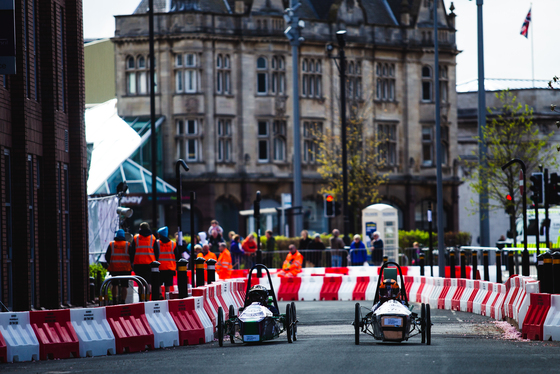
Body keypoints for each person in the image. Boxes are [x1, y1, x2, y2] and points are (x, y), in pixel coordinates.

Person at [131, 222, 159, 297]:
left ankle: (141, 298)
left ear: (140, 228)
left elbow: (132, 251)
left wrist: (132, 262)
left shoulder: (136, 238)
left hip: (138, 264)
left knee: (140, 282)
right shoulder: (152, 238)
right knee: (148, 282)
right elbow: (156, 251)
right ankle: (147, 298)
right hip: (150, 264)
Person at [106, 229, 133, 304]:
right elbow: (132, 256)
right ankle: (123, 301)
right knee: (124, 286)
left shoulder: (112, 244)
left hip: (114, 268)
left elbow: (107, 256)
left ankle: (114, 300)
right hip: (125, 269)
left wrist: (111, 263)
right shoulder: (127, 244)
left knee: (114, 284)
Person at [157, 226, 180, 296]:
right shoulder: (173, 244)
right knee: (168, 285)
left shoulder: (157, 243)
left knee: (158, 284)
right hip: (170, 268)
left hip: (159, 267)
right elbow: (177, 256)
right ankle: (167, 297)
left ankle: (160, 295)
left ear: (160, 234)